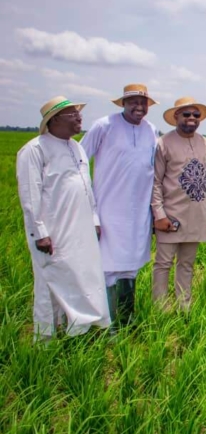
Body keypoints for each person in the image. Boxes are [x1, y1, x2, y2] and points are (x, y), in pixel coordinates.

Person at [17, 96, 110, 341]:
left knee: (81, 276)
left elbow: (85, 187)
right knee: (50, 282)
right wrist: (40, 233)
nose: (79, 117)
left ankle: (77, 330)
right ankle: (46, 338)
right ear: (55, 119)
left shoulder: (76, 147)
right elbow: (30, 193)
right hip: (52, 231)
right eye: (73, 114)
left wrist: (94, 220)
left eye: (79, 113)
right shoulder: (34, 149)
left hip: (80, 228)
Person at [80, 83, 158, 329]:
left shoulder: (151, 130)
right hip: (108, 209)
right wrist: (89, 211)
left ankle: (127, 320)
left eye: (143, 102)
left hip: (139, 211)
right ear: (123, 103)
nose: (139, 107)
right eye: (133, 101)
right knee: (108, 266)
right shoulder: (104, 125)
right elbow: (80, 160)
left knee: (131, 265)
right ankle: (106, 323)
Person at [151, 97, 206, 310]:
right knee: (163, 263)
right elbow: (156, 182)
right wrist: (159, 214)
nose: (192, 119)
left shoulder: (205, 144)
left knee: (187, 263)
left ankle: (184, 306)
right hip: (171, 214)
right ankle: (160, 308)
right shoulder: (163, 143)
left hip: (196, 214)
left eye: (196, 115)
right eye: (187, 114)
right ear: (176, 116)